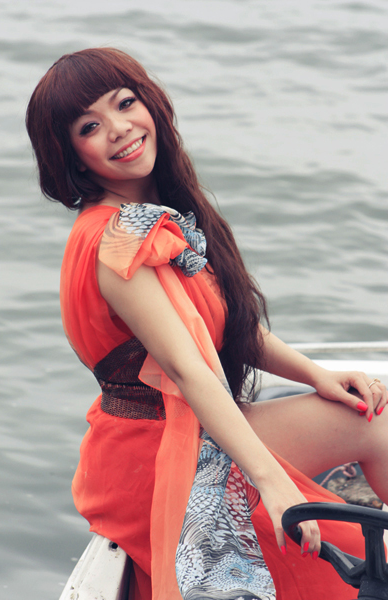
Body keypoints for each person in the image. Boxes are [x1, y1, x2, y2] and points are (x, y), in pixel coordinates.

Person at [26, 48, 387, 600]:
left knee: (372, 412)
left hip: (191, 431)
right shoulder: (119, 240)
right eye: (90, 127)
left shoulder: (157, 219)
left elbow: (227, 328)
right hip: (155, 458)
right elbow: (189, 369)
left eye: (125, 103)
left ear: (150, 103)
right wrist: (271, 483)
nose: (119, 128)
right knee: (354, 551)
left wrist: (317, 375)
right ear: (70, 154)